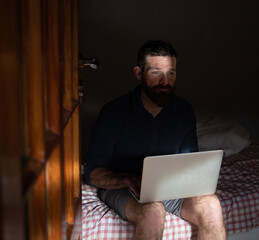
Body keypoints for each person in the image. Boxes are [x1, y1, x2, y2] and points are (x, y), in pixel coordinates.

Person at [84, 40, 226, 240]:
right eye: (156, 72)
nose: (165, 81)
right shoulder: (113, 113)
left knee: (211, 204)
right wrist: (128, 179)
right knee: (153, 212)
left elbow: (189, 163)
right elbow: (92, 173)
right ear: (138, 73)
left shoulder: (183, 111)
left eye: (171, 73)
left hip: (169, 188)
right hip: (124, 188)